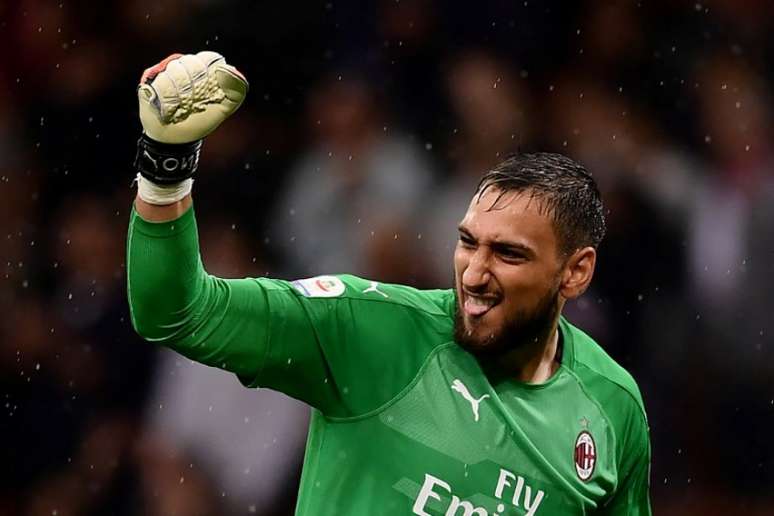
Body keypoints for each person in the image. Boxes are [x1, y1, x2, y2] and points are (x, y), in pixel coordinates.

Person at [127, 52, 651, 515]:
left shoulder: (611, 407)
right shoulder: (370, 330)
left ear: (576, 271)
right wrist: (164, 170)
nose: (474, 273)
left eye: (508, 254)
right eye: (468, 242)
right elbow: (177, 311)